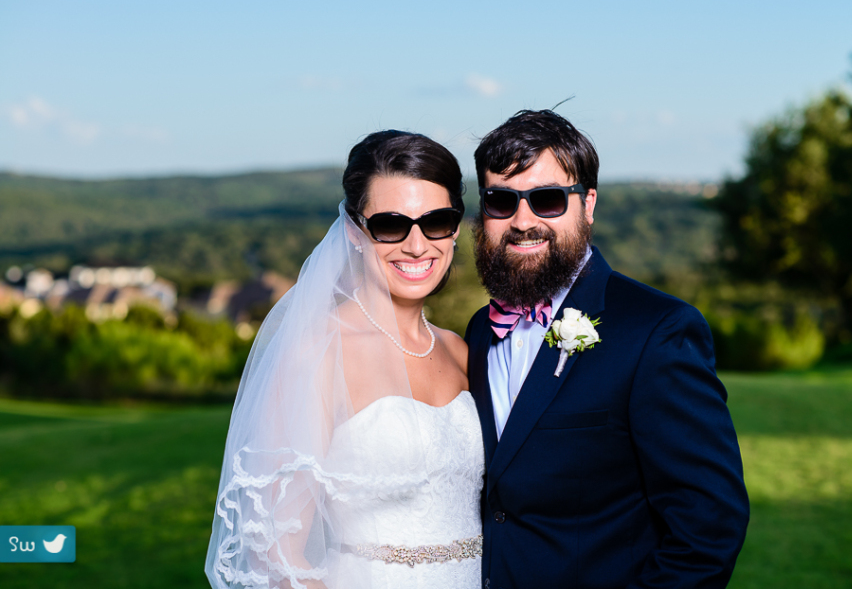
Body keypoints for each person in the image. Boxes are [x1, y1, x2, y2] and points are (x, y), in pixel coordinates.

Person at [465, 110, 750, 589]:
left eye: (548, 199)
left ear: (588, 204)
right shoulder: (478, 330)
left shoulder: (658, 330)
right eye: (501, 201)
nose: (523, 220)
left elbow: (709, 528)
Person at [206, 130, 484, 589]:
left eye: (437, 221)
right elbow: (275, 552)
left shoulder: (461, 351)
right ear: (355, 232)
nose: (417, 245)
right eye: (391, 225)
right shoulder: (315, 355)